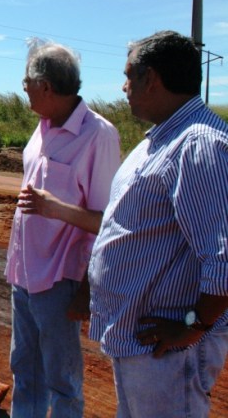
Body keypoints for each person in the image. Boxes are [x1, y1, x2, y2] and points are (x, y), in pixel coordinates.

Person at [88, 30, 228, 417]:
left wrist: (192, 326)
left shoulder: (199, 143)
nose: (123, 86)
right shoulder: (162, 140)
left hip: (168, 350)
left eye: (129, 75)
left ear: (152, 78)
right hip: (140, 340)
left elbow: (224, 257)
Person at [6, 38, 121, 417]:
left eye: (27, 85)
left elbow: (109, 222)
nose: (24, 91)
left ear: (46, 87)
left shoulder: (98, 135)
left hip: (59, 280)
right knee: (25, 371)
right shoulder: (41, 128)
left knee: (62, 381)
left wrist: (56, 210)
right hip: (23, 276)